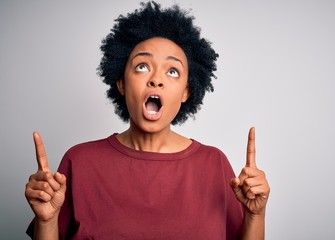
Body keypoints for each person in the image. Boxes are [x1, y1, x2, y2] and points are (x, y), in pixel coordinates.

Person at [25, 1, 270, 239]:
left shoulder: (214, 164)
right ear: (121, 83)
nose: (156, 79)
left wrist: (256, 215)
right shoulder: (79, 162)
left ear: (186, 91)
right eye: (142, 66)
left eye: (172, 71)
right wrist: (46, 221)